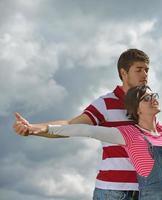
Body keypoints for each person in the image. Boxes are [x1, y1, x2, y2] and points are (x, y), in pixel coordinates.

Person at [25, 85, 162, 200]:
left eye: (154, 95)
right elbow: (85, 130)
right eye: (146, 98)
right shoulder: (129, 134)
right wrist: (43, 128)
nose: (153, 98)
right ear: (135, 109)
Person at [13, 49, 151, 200]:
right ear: (123, 73)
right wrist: (33, 129)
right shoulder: (105, 103)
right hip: (113, 191)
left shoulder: (149, 105)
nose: (145, 75)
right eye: (139, 70)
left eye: (146, 70)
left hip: (148, 190)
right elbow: (71, 126)